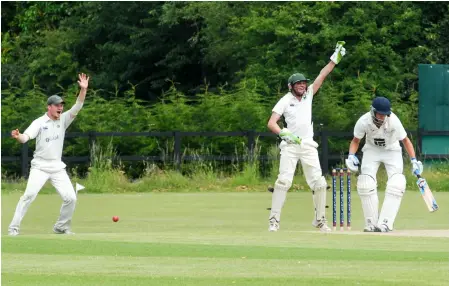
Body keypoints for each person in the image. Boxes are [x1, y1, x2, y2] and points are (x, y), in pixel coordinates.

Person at [266, 41, 346, 232]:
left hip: (308, 145)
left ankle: (320, 220)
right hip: (290, 146)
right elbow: (271, 123)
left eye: (303, 83)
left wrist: (334, 60)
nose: (302, 86)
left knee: (319, 183)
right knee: (284, 181)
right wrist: (284, 134)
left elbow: (322, 76)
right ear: (291, 86)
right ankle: (274, 221)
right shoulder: (285, 100)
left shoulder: (309, 94)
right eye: (298, 84)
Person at [8, 73, 90, 236]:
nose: (61, 108)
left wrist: (83, 90)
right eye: (57, 105)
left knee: (71, 198)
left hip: (57, 167)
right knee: (29, 195)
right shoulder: (39, 122)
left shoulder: (64, 119)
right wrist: (18, 137)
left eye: (61, 105)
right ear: (49, 107)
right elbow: (26, 137)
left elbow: (78, 105)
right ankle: (13, 228)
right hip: (40, 166)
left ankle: (61, 227)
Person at [345, 96, 423, 232]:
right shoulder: (363, 121)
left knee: (397, 182)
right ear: (373, 111)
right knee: (365, 182)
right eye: (379, 114)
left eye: (384, 114)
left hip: (391, 150)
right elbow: (355, 141)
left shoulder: (394, 121)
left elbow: (405, 140)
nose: (381, 117)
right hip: (372, 150)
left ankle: (385, 223)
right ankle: (371, 223)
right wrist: (351, 155)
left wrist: (414, 160)